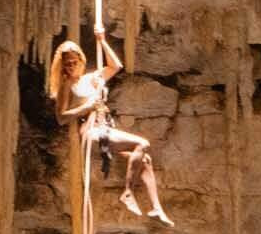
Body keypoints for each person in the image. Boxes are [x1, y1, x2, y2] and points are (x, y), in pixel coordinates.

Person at [46, 31, 173, 224]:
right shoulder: (66, 87)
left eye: (74, 61)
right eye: (67, 64)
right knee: (142, 143)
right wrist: (86, 107)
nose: (72, 66)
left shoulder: (93, 77)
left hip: (104, 126)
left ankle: (156, 208)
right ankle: (128, 193)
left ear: (81, 59)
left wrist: (102, 40)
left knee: (144, 159)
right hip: (90, 132)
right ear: (63, 67)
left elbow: (116, 66)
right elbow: (61, 118)